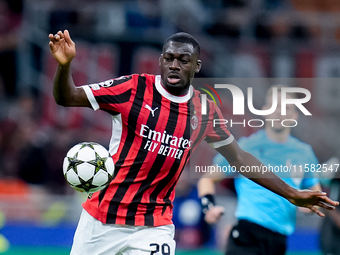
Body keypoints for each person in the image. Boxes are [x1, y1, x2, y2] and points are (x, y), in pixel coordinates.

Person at [49, 30, 338, 255]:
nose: (174, 65)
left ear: (196, 66)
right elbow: (67, 97)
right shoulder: (133, 88)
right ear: (161, 60)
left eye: (183, 60)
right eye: (169, 58)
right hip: (101, 218)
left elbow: (239, 158)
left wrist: (290, 193)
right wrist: (65, 66)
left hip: (153, 226)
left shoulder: (204, 109)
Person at [197, 86, 324, 255]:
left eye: (287, 108)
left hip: (279, 240)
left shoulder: (304, 153)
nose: (280, 112)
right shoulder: (246, 146)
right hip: (246, 235)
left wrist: (307, 206)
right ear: (265, 111)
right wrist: (209, 207)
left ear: (295, 115)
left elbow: (315, 197)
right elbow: (207, 179)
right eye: (275, 106)